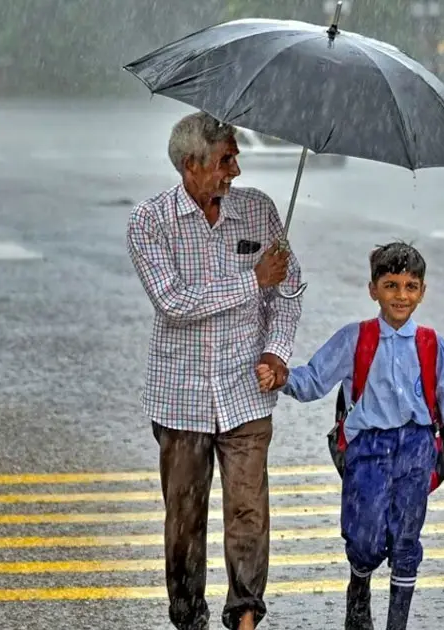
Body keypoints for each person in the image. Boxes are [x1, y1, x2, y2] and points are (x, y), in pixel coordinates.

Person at [126, 111, 303, 630]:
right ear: (191, 165)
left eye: (236, 158)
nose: (236, 172)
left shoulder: (260, 211)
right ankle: (188, 619)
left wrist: (277, 351)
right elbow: (173, 302)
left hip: (246, 393)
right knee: (184, 522)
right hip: (179, 399)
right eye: (227, 160)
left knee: (249, 514)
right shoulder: (149, 221)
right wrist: (253, 279)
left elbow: (289, 291)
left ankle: (246, 616)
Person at [255, 241, 444, 630]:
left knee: (406, 540)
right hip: (367, 451)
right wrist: (282, 378)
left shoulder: (431, 345)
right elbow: (314, 379)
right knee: (363, 540)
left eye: (411, 286)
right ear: (373, 290)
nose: (401, 295)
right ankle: (359, 581)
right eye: (391, 285)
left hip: (416, 450)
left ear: (423, 292)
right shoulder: (355, 338)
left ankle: (397, 622)